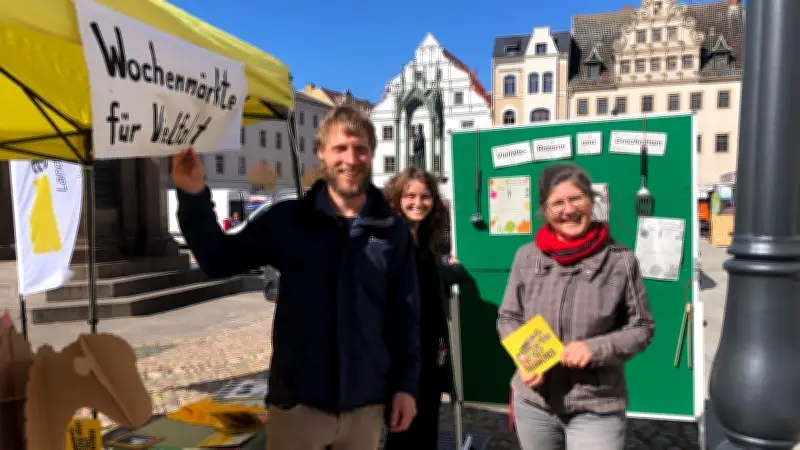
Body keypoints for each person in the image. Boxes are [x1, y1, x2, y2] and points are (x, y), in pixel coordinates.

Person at [171, 105, 420, 450]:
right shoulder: (289, 220)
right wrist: (193, 195)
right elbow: (219, 260)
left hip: (365, 406)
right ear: (321, 153)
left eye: (360, 149)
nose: (351, 159)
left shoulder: (391, 231)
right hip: (299, 405)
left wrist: (406, 387)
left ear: (372, 153)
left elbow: (405, 316)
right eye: (340, 148)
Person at [497, 164, 655, 450]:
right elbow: (509, 316)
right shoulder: (526, 257)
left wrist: (595, 349)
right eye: (557, 203)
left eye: (576, 199)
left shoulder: (620, 261)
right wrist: (526, 357)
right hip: (534, 404)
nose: (568, 210)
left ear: (592, 201)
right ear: (545, 210)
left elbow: (642, 328)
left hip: (596, 406)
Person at [382, 168, 463, 450]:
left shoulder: (425, 238)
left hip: (428, 351)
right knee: (404, 432)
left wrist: (451, 271)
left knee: (426, 426)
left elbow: (428, 280)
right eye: (410, 196)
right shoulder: (390, 239)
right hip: (402, 353)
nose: (418, 203)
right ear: (397, 198)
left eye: (425, 196)